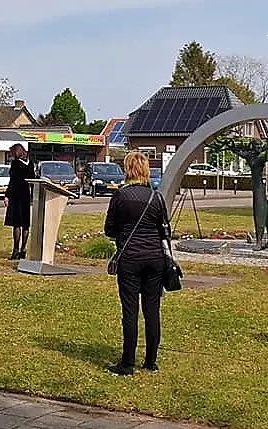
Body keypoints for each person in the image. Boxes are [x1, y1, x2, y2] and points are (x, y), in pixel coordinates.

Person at [104, 151, 169, 376]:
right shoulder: (156, 197)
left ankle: (128, 362)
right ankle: (151, 361)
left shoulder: (120, 197)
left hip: (130, 258)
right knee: (152, 311)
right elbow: (165, 230)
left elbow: (109, 229)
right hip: (155, 259)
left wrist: (123, 233)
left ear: (127, 170)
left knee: (130, 311)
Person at [5, 143, 36, 260]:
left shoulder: (15, 164)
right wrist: (32, 196)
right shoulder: (30, 163)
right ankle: (23, 249)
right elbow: (33, 180)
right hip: (26, 195)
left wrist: (7, 195)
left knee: (17, 224)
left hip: (16, 195)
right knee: (25, 224)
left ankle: (16, 250)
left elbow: (12, 181)